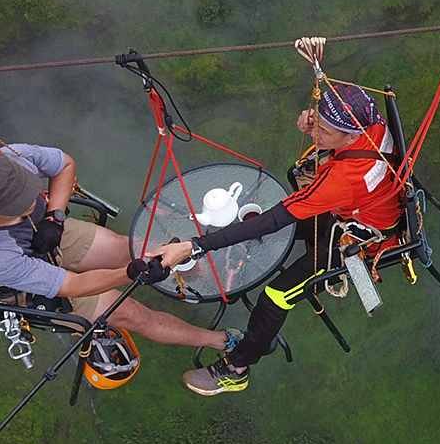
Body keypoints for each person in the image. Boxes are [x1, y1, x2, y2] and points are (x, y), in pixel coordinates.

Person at [147, 81, 401, 396]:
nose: (315, 133)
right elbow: (337, 119)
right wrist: (315, 118)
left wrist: (195, 246)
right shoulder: (370, 121)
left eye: (324, 130)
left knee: (276, 295)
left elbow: (274, 220)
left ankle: (237, 368)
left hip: (354, 243)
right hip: (356, 211)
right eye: (316, 124)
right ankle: (234, 257)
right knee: (266, 225)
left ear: (350, 136)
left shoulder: (342, 180)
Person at [0, 143, 234, 354]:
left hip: (47, 232)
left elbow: (63, 165)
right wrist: (130, 273)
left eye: (28, 192)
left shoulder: (11, 158)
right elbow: (73, 285)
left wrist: (55, 216)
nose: (28, 203)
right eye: (16, 206)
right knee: (134, 314)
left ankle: (202, 275)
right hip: (25, 286)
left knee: (135, 248)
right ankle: (219, 341)